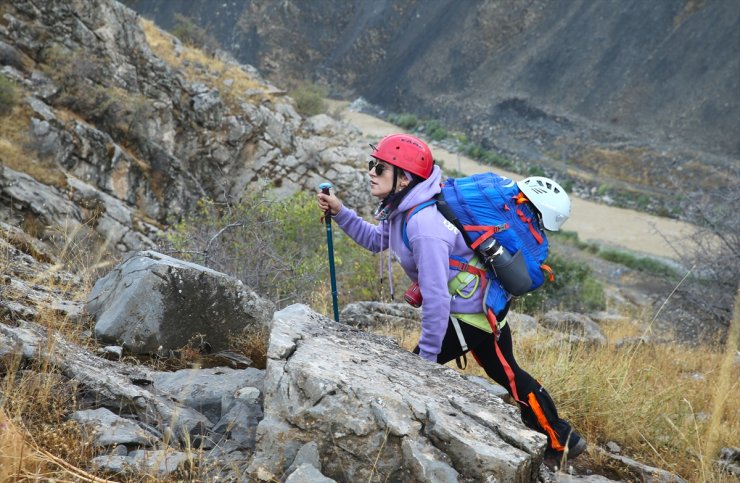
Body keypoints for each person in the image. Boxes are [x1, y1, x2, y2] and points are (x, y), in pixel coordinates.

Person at [317, 133, 586, 466]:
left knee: (416, 374)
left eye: (380, 167)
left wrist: (424, 361)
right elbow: (374, 240)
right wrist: (341, 211)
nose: (371, 172)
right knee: (510, 375)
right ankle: (563, 438)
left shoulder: (424, 226)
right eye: (373, 165)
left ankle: (561, 440)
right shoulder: (402, 209)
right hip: (478, 310)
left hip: (470, 316)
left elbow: (436, 300)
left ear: (404, 178)